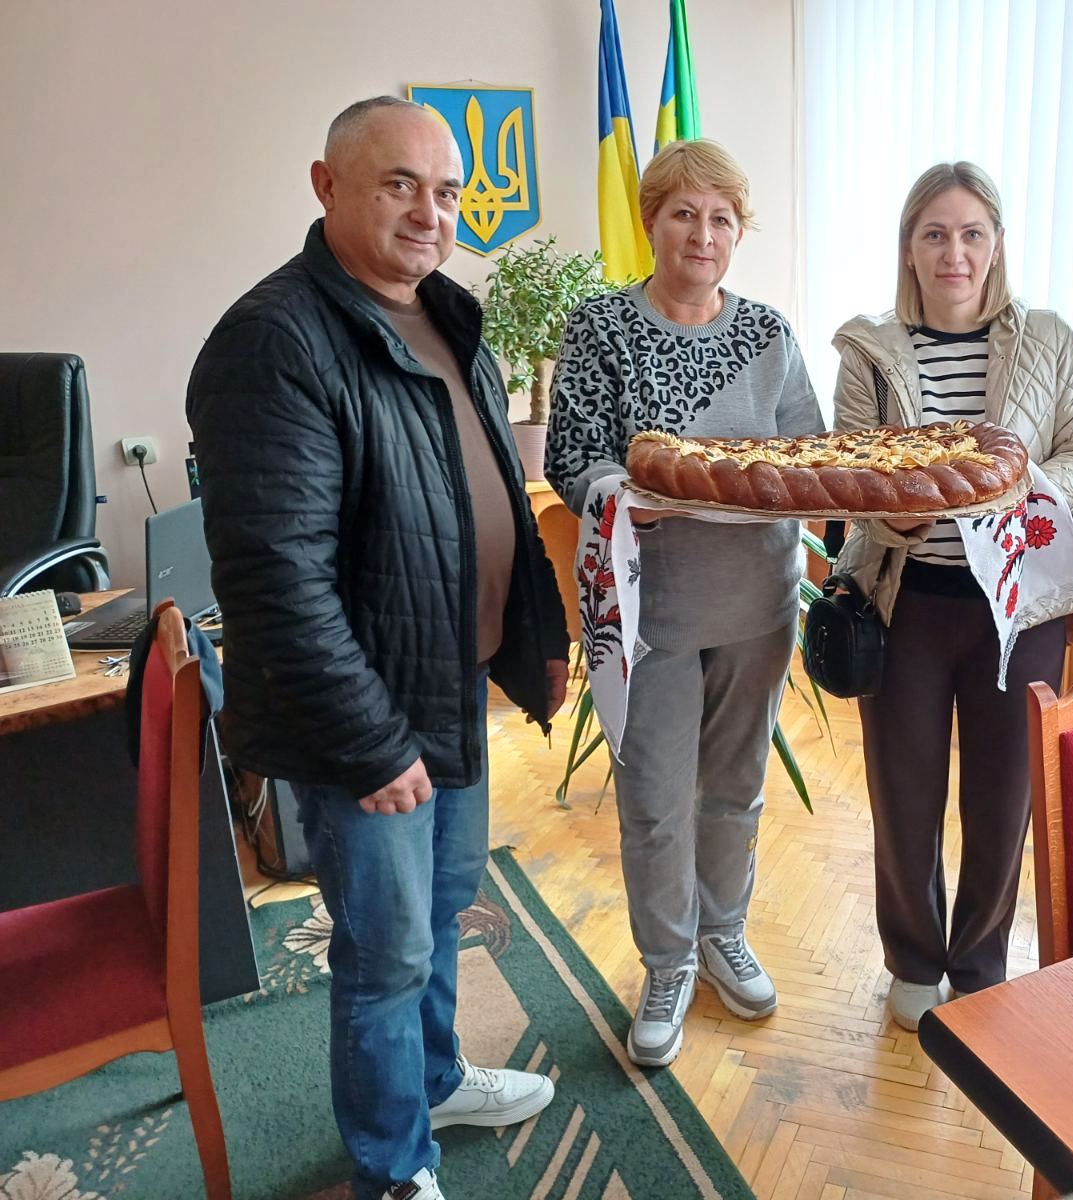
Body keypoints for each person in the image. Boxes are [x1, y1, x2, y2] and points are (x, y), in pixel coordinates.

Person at [187, 96, 571, 1200]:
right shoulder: (275, 339)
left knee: (441, 913)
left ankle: (433, 1082)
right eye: (399, 183)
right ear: (327, 186)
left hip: (452, 688)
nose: (428, 212)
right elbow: (274, 578)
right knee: (386, 950)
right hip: (370, 719)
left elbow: (495, 494)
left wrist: (537, 639)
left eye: (446, 192)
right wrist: (369, 742)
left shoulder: (447, 315)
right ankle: (392, 1168)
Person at [545, 139, 824, 1068]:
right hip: (647, 614)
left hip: (758, 605)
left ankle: (722, 934)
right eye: (683, 214)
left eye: (721, 219)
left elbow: (807, 456)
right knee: (657, 802)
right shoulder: (602, 327)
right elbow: (571, 454)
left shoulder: (769, 335)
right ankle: (667, 964)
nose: (703, 234)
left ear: (739, 233)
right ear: (651, 221)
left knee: (736, 788)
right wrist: (623, 495)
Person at [832, 162, 1073, 1030]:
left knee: (1004, 797)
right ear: (909, 249)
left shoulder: (1052, 340)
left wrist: (1026, 491)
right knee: (904, 796)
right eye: (935, 234)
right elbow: (849, 471)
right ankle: (914, 961)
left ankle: (981, 962)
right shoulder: (869, 349)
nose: (953, 253)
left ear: (995, 245)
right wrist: (893, 520)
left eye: (971, 234)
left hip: (1020, 611)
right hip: (905, 604)